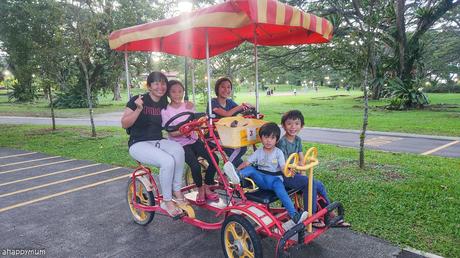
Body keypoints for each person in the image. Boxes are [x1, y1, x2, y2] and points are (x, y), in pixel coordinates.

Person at [121, 71, 186, 218]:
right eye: (156, 83)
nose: (160, 86)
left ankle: (177, 191)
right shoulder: (138, 100)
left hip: (157, 140)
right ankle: (166, 200)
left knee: (178, 150)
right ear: (149, 86)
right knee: (167, 161)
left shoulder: (163, 102)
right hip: (138, 143)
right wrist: (138, 109)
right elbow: (124, 123)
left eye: (163, 83)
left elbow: (175, 112)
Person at [276, 110, 350, 228]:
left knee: (318, 184)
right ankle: (312, 217)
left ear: (301, 126)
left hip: (295, 174)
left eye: (296, 124)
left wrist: (302, 169)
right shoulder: (282, 143)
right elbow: (283, 165)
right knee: (309, 183)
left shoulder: (298, 140)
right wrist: (299, 171)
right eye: (289, 123)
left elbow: (301, 158)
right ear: (283, 126)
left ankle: (329, 211)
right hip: (284, 176)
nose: (293, 127)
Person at [237, 122, 308, 226]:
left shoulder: (278, 152)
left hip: (274, 180)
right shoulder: (258, 152)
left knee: (281, 190)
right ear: (261, 138)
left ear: (277, 140)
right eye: (265, 137)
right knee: (250, 169)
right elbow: (246, 163)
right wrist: (238, 169)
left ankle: (294, 216)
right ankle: (236, 175)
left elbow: (283, 167)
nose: (268, 141)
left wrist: (289, 172)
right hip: (261, 179)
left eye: (272, 138)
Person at [161, 80, 219, 205]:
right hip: (179, 145)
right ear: (168, 94)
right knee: (195, 166)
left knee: (214, 159)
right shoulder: (165, 111)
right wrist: (186, 130)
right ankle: (200, 189)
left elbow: (195, 121)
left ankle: (208, 185)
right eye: (173, 92)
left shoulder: (188, 106)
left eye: (180, 91)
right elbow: (172, 133)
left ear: (183, 92)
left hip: (194, 139)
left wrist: (197, 124)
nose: (177, 94)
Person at [208, 77, 253, 167]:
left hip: (229, 134)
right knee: (241, 148)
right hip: (215, 136)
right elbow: (226, 114)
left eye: (229, 87)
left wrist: (249, 109)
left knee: (239, 150)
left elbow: (242, 111)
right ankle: (226, 171)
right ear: (217, 89)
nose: (226, 90)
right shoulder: (212, 102)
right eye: (223, 87)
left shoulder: (229, 102)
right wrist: (240, 106)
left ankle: (237, 172)